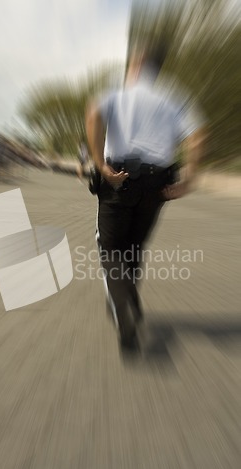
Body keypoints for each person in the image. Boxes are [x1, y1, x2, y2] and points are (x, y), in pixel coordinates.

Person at [85, 42, 205, 356]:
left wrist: (101, 165)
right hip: (157, 182)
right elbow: (198, 135)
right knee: (135, 245)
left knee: (111, 248)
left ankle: (124, 309)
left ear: (136, 64)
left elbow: (93, 114)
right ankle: (131, 301)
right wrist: (189, 179)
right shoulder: (175, 95)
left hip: (119, 177)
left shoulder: (118, 91)